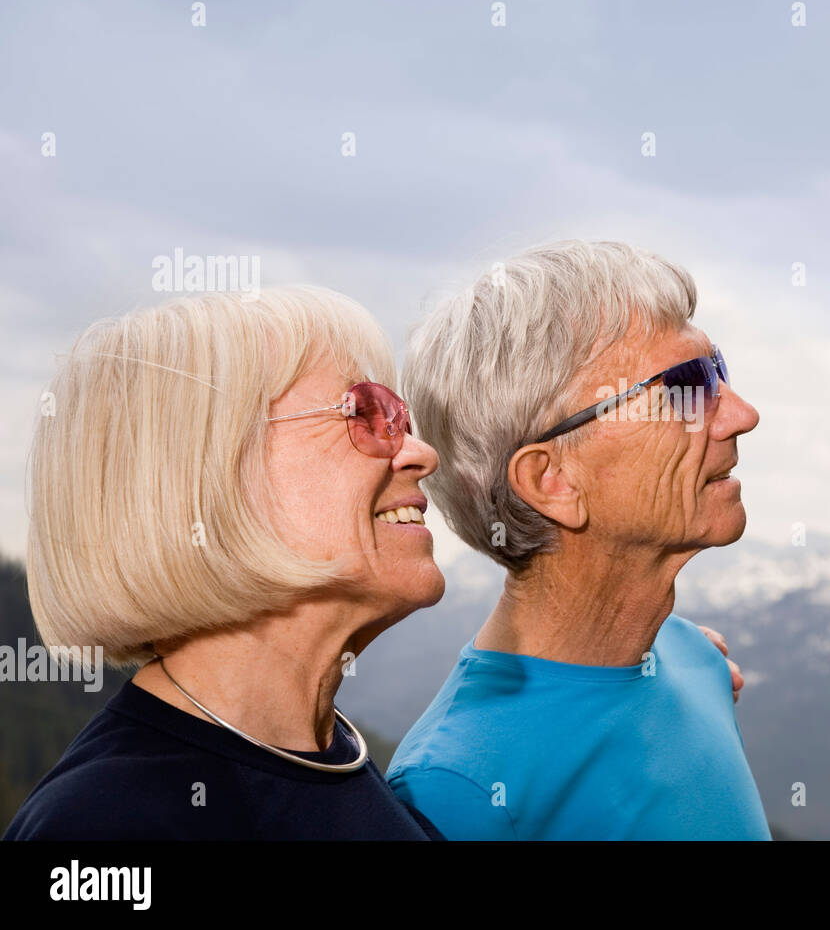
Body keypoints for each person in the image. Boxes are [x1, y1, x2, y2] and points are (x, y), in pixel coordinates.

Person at [5, 285, 447, 839]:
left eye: (399, 419)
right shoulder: (105, 825)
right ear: (204, 477)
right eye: (364, 412)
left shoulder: (332, 764)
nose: (420, 452)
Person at [390, 240, 770, 839]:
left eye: (717, 368)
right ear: (553, 480)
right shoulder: (456, 789)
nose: (741, 414)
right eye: (687, 386)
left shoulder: (694, 658)